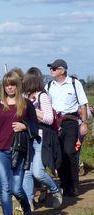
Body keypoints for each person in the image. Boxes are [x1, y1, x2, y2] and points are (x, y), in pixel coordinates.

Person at [0, 71, 38, 215]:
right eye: (7, 85)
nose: (10, 88)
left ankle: (27, 209)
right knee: (5, 188)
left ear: (18, 85)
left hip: (19, 151)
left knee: (16, 188)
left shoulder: (26, 104)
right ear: (3, 87)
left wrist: (25, 126)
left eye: (13, 84)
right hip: (0, 152)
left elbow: (35, 127)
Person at [46, 59, 89, 197]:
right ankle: (64, 184)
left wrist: (83, 123)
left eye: (54, 68)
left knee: (69, 152)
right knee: (58, 154)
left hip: (70, 122)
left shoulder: (74, 84)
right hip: (54, 123)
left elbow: (83, 105)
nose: (51, 70)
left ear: (62, 70)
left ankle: (74, 185)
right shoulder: (48, 86)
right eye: (51, 68)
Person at [22, 72, 63, 209]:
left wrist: (33, 110)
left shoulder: (43, 97)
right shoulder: (25, 97)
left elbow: (49, 119)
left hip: (41, 137)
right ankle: (28, 203)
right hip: (28, 136)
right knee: (27, 171)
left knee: (38, 172)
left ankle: (56, 190)